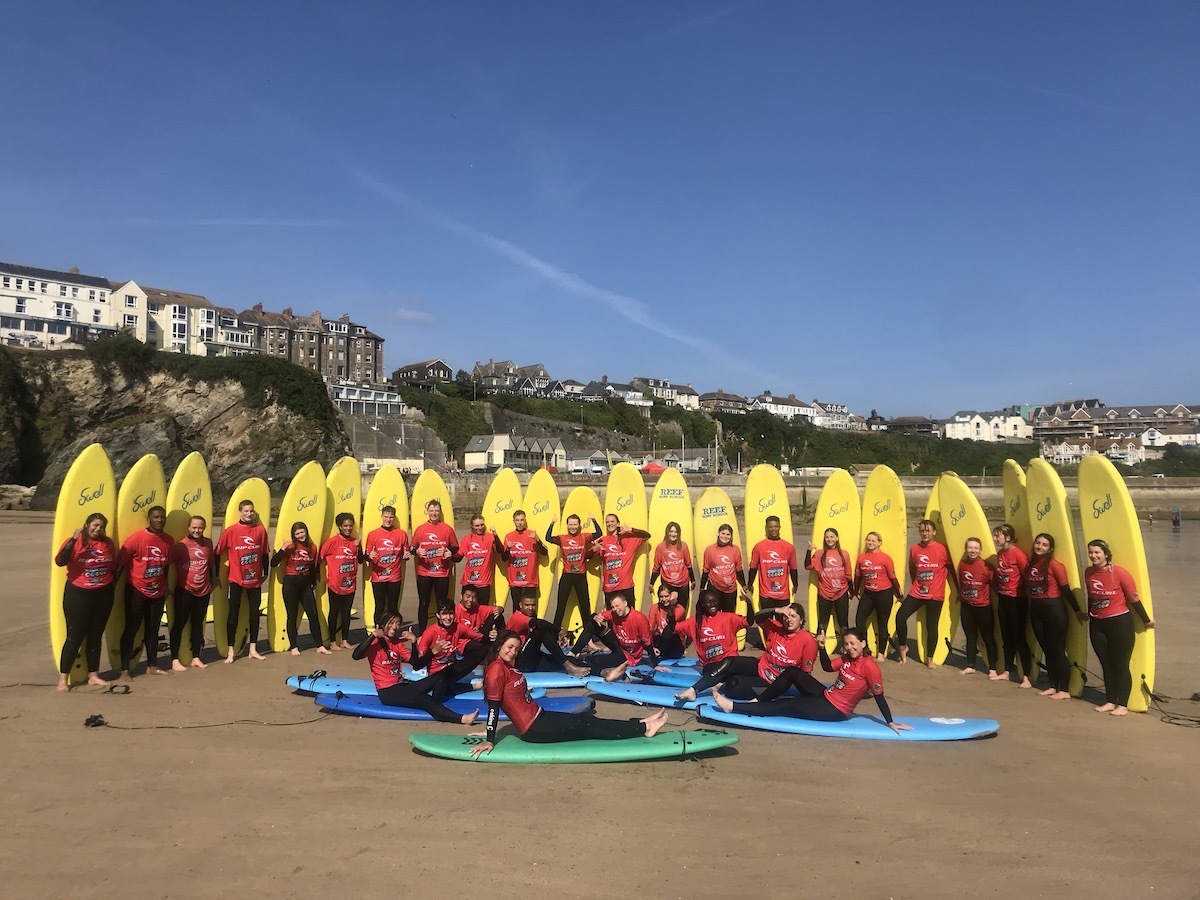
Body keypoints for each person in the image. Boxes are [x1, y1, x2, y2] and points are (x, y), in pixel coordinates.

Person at [469, 631, 669, 757]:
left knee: (586, 722)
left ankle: (640, 722)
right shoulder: (496, 670)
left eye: (516, 648)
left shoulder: (506, 666)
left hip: (541, 716)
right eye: (509, 647)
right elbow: (494, 708)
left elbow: (512, 695)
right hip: (534, 729)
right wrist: (489, 737)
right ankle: (643, 728)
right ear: (499, 646)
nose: (513, 652)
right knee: (588, 726)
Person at [710, 628, 912, 736]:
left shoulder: (869, 667)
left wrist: (890, 721)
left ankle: (733, 707)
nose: (850, 647)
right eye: (846, 644)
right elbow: (826, 667)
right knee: (792, 672)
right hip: (826, 695)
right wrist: (822, 648)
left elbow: (879, 696)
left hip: (835, 710)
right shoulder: (847, 658)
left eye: (853, 644)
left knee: (785, 705)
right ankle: (758, 700)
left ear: (863, 644)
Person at [675, 599, 816, 703]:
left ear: (801, 620)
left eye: (793, 616)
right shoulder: (776, 629)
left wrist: (805, 698)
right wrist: (777, 610)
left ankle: (722, 684)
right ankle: (693, 690)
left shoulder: (807, 640)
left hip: (775, 681)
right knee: (729, 661)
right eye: (786, 616)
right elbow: (757, 617)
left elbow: (805, 674)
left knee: (734, 686)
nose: (788, 620)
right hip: (760, 666)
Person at [352, 612, 480, 724]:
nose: (394, 627)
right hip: (387, 692)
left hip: (403, 686)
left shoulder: (397, 644)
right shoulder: (374, 644)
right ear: (382, 624)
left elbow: (417, 664)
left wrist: (413, 642)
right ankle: (462, 719)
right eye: (391, 623)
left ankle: (440, 700)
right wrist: (373, 635)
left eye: (397, 623)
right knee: (424, 699)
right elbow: (356, 655)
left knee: (442, 675)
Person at [1084, 539, 1154, 716]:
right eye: (1091, 552)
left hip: (1119, 623)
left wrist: (1146, 620)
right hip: (1097, 623)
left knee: (1120, 665)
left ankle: (1122, 705)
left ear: (1106, 554)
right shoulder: (1089, 572)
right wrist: (1088, 613)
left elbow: (1134, 598)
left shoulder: (1120, 573)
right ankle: (1110, 700)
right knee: (1106, 665)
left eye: (1097, 552)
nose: (1093, 555)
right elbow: (1092, 597)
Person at [54, 512, 118, 691]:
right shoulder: (74, 541)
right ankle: (63, 679)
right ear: (87, 524)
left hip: (103, 594)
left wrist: (110, 584)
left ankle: (93, 675)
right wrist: (73, 540)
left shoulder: (107, 543)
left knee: (96, 635)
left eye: (101, 526)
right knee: (74, 636)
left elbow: (113, 565)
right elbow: (60, 561)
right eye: (95, 525)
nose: (98, 529)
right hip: (78, 594)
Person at [118, 505, 175, 681]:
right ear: (149, 519)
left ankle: (152, 665)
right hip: (136, 590)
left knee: (153, 629)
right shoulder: (136, 540)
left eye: (162, 517)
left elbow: (165, 566)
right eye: (156, 517)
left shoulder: (168, 540)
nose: (160, 520)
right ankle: (124, 669)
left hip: (157, 592)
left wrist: (164, 586)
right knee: (132, 628)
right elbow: (120, 565)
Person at [1024, 532, 1083, 699]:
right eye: (1038, 543)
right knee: (1047, 649)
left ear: (1050, 549)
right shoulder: (1031, 564)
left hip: (1054, 609)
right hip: (1036, 610)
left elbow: (1066, 590)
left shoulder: (1055, 565)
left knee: (1056, 650)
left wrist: (1077, 610)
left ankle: (1063, 690)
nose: (1039, 547)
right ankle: (1052, 685)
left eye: (1044, 545)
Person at [893, 519, 955, 668]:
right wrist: (915, 582)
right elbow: (912, 567)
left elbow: (952, 571)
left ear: (934, 532)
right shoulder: (914, 548)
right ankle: (903, 647)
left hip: (935, 595)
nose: (925, 533)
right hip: (917, 592)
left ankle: (930, 658)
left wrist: (958, 590)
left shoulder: (942, 549)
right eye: (922, 530)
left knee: (931, 626)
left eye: (928, 530)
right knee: (900, 617)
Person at [216, 498, 271, 663]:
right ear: (240, 512)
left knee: (255, 615)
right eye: (246, 511)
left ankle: (253, 649)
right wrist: (215, 575)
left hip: (254, 581)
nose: (249, 514)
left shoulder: (260, 530)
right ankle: (231, 651)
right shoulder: (231, 531)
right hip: (236, 581)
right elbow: (217, 552)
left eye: (251, 511)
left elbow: (264, 554)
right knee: (233, 615)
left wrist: (265, 573)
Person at [272, 521, 330, 656]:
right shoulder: (290, 547)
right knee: (292, 616)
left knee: (313, 615)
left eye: (302, 532)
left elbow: (313, 567)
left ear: (306, 532)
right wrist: (283, 548)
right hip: (290, 584)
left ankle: (319, 645)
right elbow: (273, 563)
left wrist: (314, 582)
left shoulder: (313, 547)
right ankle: (294, 646)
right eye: (297, 533)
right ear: (294, 535)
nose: (300, 535)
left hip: (305, 585)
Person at [168, 515, 217, 670]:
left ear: (204, 527)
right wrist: (163, 584)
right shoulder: (180, 546)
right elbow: (165, 564)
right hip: (184, 590)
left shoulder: (208, 543)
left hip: (203, 591)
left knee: (197, 625)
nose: (197, 530)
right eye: (194, 527)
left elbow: (211, 564)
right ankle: (175, 659)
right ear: (189, 528)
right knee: (179, 624)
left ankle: (196, 657)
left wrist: (214, 580)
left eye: (200, 527)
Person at [571, 593, 654, 681]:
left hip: (627, 655)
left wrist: (655, 665)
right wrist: (595, 617)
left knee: (595, 661)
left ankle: (584, 658)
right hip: (617, 645)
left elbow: (647, 643)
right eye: (613, 607)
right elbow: (593, 616)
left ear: (625, 603)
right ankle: (573, 653)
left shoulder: (639, 619)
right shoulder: (613, 613)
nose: (615, 609)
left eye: (617, 606)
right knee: (593, 623)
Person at [504, 593, 591, 677]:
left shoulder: (530, 617)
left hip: (532, 660)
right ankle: (570, 667)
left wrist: (557, 638)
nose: (530, 608)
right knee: (539, 630)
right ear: (520, 605)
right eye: (527, 605)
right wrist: (558, 630)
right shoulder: (517, 617)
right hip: (520, 662)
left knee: (564, 660)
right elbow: (540, 623)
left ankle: (601, 671)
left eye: (533, 605)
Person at [992, 524, 1032, 688]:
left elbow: (1028, 576)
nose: (995, 538)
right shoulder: (1000, 554)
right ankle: (1007, 671)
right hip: (1004, 599)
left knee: (1019, 638)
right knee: (1006, 637)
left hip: (1018, 600)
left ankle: (1027, 677)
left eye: (998, 536)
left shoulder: (1018, 554)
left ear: (1008, 537)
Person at [956, 537, 1002, 680]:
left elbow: (995, 587)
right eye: (970, 547)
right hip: (967, 607)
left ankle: (993, 668)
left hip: (983, 608)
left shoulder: (986, 566)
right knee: (970, 638)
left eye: (976, 548)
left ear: (980, 550)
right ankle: (971, 665)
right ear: (966, 549)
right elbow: (962, 583)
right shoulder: (962, 564)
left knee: (988, 638)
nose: (972, 550)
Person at [410, 500, 459, 635]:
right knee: (423, 603)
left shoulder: (447, 529)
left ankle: (441, 631)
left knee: (441, 604)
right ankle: (421, 633)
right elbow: (412, 547)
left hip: (442, 573)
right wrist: (417, 552)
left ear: (440, 512)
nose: (434, 513)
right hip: (424, 573)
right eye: (431, 510)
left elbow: (455, 547)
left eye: (436, 510)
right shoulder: (420, 529)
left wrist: (449, 552)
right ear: (427, 512)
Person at [545, 514, 602, 629]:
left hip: (580, 576)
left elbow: (599, 533)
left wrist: (594, 520)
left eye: (575, 524)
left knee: (585, 606)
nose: (573, 527)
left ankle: (588, 633)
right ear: (567, 525)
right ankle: (554, 632)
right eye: (570, 524)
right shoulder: (562, 538)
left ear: (579, 525)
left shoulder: (584, 537)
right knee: (561, 605)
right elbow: (548, 538)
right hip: (567, 576)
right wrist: (552, 523)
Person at [853, 531, 901, 659]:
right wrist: (855, 590)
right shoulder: (861, 557)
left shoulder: (885, 558)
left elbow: (893, 578)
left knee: (882, 622)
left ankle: (881, 653)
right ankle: (865, 648)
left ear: (879, 543)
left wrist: (899, 593)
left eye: (873, 540)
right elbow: (857, 576)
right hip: (868, 593)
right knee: (859, 619)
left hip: (884, 594)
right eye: (868, 540)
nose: (870, 542)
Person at [319, 512, 363, 649]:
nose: (348, 528)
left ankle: (344, 640)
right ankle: (332, 642)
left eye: (350, 526)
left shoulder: (354, 542)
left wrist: (359, 547)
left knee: (346, 614)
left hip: (350, 584)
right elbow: (319, 559)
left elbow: (360, 560)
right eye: (345, 526)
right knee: (334, 613)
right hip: (335, 585)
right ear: (339, 527)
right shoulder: (332, 542)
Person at [363, 505, 409, 628]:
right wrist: (369, 556)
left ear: (394, 518)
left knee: (392, 606)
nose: (388, 519)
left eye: (391, 517)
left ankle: (392, 630)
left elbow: (406, 553)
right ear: (382, 517)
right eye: (386, 517)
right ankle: (378, 630)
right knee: (379, 605)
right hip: (378, 577)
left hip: (395, 577)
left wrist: (407, 555)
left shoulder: (401, 534)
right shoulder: (373, 534)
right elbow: (366, 556)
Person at [592, 514, 651, 608]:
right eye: (607, 522)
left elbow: (647, 535)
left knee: (630, 617)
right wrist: (594, 549)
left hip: (626, 585)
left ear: (618, 523)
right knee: (611, 617)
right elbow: (588, 555)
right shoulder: (603, 540)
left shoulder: (629, 539)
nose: (609, 524)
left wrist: (631, 529)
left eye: (612, 521)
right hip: (609, 586)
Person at [805, 527, 851, 644]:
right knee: (822, 622)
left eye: (831, 537)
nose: (829, 539)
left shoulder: (844, 554)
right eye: (827, 537)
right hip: (824, 592)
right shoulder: (820, 553)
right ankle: (819, 646)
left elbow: (848, 574)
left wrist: (852, 590)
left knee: (843, 622)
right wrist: (809, 550)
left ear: (837, 538)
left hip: (841, 591)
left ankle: (846, 647)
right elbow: (808, 566)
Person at [749, 516, 798, 615]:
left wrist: (795, 584)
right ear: (766, 528)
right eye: (770, 527)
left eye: (776, 526)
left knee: (783, 624)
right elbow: (753, 568)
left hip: (783, 594)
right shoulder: (759, 547)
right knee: (768, 624)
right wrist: (750, 584)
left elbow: (793, 568)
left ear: (779, 527)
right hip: (766, 594)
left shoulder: (789, 547)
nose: (773, 529)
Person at [500, 509, 547, 610]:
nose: (520, 522)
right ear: (514, 521)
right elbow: (504, 558)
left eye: (522, 520)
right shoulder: (509, 536)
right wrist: (508, 548)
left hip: (530, 581)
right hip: (515, 581)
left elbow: (545, 552)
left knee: (531, 610)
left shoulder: (532, 535)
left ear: (525, 520)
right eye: (517, 520)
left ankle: (532, 626)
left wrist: (538, 540)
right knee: (516, 609)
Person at [699, 524, 750, 613]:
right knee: (714, 614)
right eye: (723, 533)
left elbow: (738, 569)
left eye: (728, 534)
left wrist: (744, 584)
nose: (725, 536)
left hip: (730, 588)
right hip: (715, 587)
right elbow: (706, 570)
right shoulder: (710, 550)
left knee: (729, 615)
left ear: (731, 537)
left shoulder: (735, 549)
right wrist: (702, 587)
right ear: (718, 533)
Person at [649, 521, 695, 615]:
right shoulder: (661, 547)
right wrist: (651, 583)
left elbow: (688, 564)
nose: (673, 534)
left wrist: (693, 580)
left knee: (681, 612)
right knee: (667, 612)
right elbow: (656, 567)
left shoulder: (683, 546)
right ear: (667, 532)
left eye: (675, 532)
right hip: (667, 584)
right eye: (671, 531)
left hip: (683, 584)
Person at [459, 514, 504, 606]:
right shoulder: (466, 539)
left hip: (484, 583)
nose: (480, 527)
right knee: (466, 609)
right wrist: (449, 554)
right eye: (477, 526)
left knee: (482, 611)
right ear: (472, 526)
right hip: (468, 581)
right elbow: (458, 557)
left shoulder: (490, 537)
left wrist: (495, 536)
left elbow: (500, 551)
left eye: (482, 525)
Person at [648, 582, 689, 661]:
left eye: (666, 596)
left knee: (669, 631)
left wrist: (671, 605)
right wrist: (651, 646)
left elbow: (671, 624)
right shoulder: (655, 608)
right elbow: (651, 628)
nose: (663, 599)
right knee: (652, 633)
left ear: (672, 596)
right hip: (660, 643)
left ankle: (659, 653)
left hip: (675, 646)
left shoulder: (680, 609)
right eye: (661, 597)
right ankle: (657, 652)